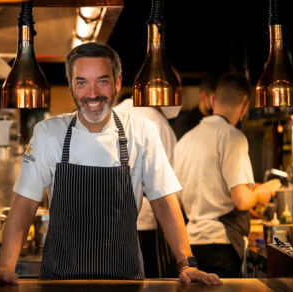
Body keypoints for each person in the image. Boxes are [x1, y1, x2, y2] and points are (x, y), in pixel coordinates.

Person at [0, 42, 222, 286]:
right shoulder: (48, 133)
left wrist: (186, 264)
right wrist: (6, 266)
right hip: (59, 282)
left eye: (102, 81)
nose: (92, 94)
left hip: (125, 281)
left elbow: (164, 200)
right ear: (71, 86)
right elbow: (25, 203)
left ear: (117, 83)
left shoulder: (142, 132)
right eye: (81, 82)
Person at [173, 74, 273, 278]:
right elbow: (242, 200)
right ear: (244, 106)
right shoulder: (233, 136)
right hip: (220, 245)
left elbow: (178, 201)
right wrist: (262, 193)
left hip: (191, 243)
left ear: (212, 101)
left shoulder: (185, 141)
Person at [113, 97, 179, 278]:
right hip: (147, 221)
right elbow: (167, 187)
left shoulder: (113, 113)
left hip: (111, 223)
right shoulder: (160, 124)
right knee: (150, 284)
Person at [170, 73, 221, 140]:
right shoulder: (185, 124)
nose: (219, 104)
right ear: (203, 96)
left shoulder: (220, 124)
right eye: (214, 99)